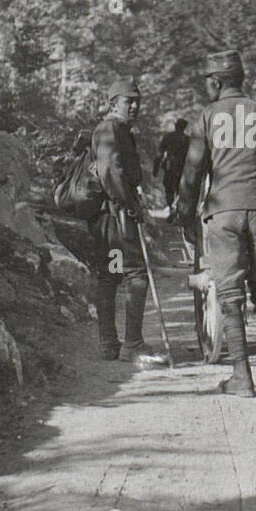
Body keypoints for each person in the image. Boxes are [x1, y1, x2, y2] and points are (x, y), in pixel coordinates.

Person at [178, 51, 256, 396]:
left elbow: (192, 173)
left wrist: (185, 214)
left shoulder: (207, 117)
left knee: (230, 295)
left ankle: (242, 377)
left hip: (223, 211)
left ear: (216, 82)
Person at [91, 77, 166, 368]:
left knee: (110, 275)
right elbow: (111, 171)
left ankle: (109, 344)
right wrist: (133, 207)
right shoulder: (110, 129)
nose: (134, 106)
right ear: (113, 103)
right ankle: (131, 345)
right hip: (116, 218)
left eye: (137, 101)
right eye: (127, 101)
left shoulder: (118, 129)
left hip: (109, 216)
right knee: (135, 274)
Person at [153, 118, 190, 215]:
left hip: (171, 168)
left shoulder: (168, 137)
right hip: (182, 169)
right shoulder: (187, 140)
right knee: (179, 190)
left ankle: (172, 208)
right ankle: (175, 208)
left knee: (169, 189)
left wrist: (155, 168)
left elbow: (159, 154)